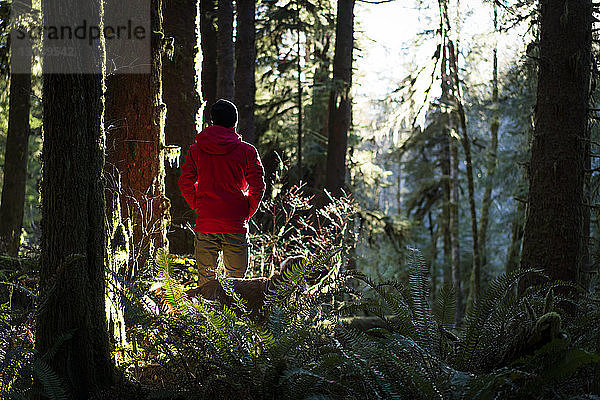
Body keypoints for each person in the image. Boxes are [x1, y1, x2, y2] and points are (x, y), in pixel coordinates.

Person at [178, 99, 265, 288]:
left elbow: (185, 182)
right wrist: (246, 210)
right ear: (235, 122)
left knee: (206, 286)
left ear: (211, 121)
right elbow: (258, 186)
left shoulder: (196, 150)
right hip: (235, 223)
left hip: (206, 221)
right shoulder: (247, 151)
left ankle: (205, 318)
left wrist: (198, 205)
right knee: (237, 286)